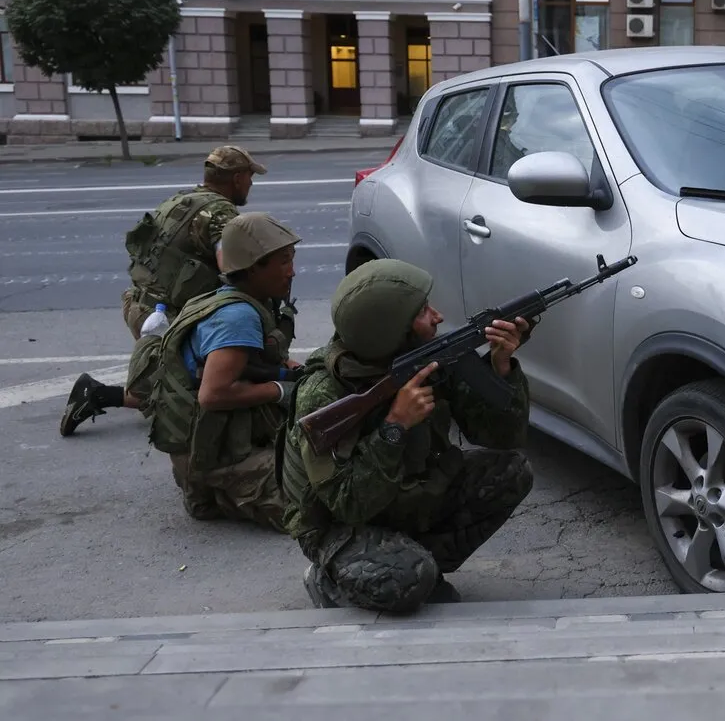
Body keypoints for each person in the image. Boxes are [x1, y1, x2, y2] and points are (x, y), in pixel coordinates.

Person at [279, 258, 535, 612]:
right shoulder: (323, 394)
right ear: (389, 330)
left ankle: (416, 562)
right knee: (408, 582)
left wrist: (501, 365)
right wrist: (395, 425)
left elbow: (502, 436)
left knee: (511, 472)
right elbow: (348, 505)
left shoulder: (425, 358)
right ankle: (330, 577)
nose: (437, 316)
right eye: (422, 311)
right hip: (338, 526)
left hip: (402, 498)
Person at [59, 145, 274, 437]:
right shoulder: (220, 212)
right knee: (184, 397)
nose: (251, 183)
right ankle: (95, 394)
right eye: (250, 176)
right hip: (164, 320)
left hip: (139, 305)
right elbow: (231, 270)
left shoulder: (181, 200)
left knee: (182, 385)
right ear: (237, 178)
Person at [144, 212, 303, 533]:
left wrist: (289, 369)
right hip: (215, 459)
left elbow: (250, 361)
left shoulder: (234, 300)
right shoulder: (237, 316)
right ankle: (217, 494)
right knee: (319, 503)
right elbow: (213, 393)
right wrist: (280, 390)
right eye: (283, 261)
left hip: (214, 448)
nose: (292, 271)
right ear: (253, 265)